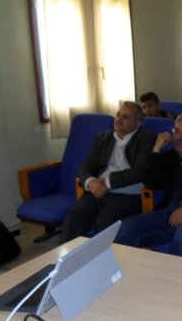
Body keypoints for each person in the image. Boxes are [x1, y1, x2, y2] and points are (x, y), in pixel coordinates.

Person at [114, 113, 182, 259]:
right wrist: (156, 151)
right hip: (171, 210)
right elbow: (151, 183)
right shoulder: (169, 157)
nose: (178, 137)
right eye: (176, 131)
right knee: (124, 228)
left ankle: (179, 274)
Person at [60, 102, 156, 243]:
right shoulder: (103, 138)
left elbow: (139, 172)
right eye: (118, 114)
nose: (119, 119)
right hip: (98, 190)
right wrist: (91, 182)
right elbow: (86, 165)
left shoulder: (146, 138)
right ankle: (68, 256)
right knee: (74, 217)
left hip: (128, 195)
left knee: (104, 223)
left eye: (125, 117)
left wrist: (106, 182)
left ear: (137, 123)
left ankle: (102, 257)